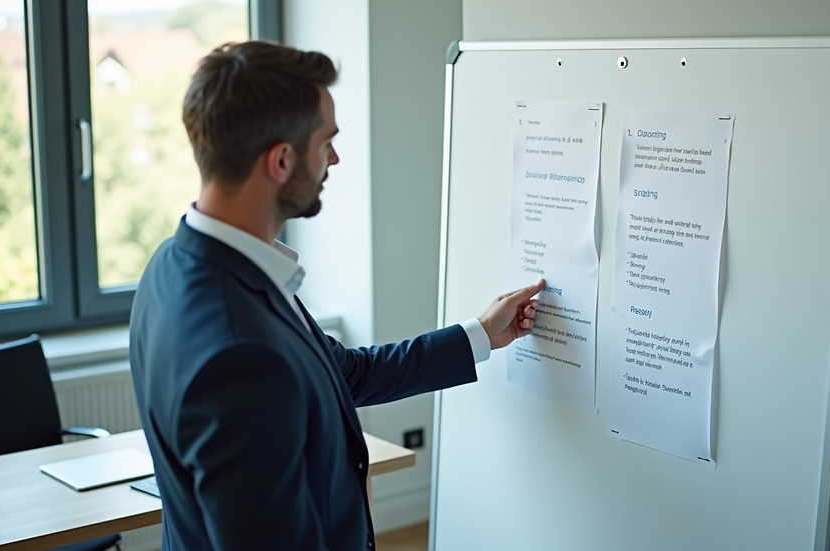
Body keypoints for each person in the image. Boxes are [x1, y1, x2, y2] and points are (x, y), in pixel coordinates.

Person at [128, 40, 543, 551]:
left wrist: (479, 334)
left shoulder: (174, 264)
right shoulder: (239, 349)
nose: (336, 157)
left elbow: (342, 375)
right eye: (327, 141)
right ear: (281, 160)